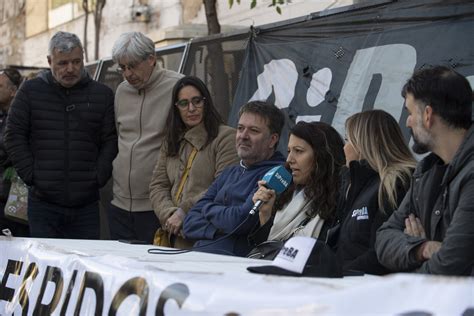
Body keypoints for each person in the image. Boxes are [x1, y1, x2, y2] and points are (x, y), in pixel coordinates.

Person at [4, 31, 117, 239]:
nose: (70, 69)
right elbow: (13, 135)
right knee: (47, 267)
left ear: (83, 59)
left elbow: (110, 140)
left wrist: (98, 176)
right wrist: (32, 175)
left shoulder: (102, 94)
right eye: (63, 63)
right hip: (43, 205)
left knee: (84, 266)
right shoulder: (30, 91)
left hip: (86, 205)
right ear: (49, 61)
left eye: (76, 62)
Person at [376, 66, 474, 275]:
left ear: (428, 115)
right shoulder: (425, 172)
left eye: (411, 113)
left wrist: (411, 266)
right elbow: (383, 238)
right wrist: (422, 248)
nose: (408, 122)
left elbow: (450, 264)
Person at [183, 101, 286, 256]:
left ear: (272, 140)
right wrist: (220, 229)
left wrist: (208, 209)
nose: (243, 136)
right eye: (240, 128)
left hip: (232, 268)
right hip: (197, 257)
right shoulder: (230, 172)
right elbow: (189, 224)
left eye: (253, 130)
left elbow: (239, 222)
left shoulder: (276, 175)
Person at [109, 32, 183, 244]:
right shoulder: (121, 91)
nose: (127, 73)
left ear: (151, 58)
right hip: (120, 204)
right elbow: (119, 136)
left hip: (158, 206)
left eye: (132, 65)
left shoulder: (178, 87)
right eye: (122, 68)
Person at [149, 76, 239, 248]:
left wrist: (184, 212)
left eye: (197, 101)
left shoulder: (225, 137)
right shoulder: (171, 140)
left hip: (204, 237)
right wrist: (170, 215)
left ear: (206, 102)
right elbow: (157, 185)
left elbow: (222, 187)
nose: (191, 109)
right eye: (183, 103)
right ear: (176, 108)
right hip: (171, 234)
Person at [337, 110, 416, 275]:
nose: (343, 148)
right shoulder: (358, 184)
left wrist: (337, 274)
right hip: (348, 284)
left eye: (347, 140)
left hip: (372, 289)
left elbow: (381, 252)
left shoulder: (396, 182)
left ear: (363, 144)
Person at [249, 121, 345, 248]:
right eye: (289, 151)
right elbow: (264, 248)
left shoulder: (340, 196)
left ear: (322, 156)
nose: (289, 159)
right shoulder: (285, 192)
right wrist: (265, 214)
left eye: (298, 151)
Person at [0, 68, 29, 236]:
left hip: (15, 198)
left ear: (12, 92)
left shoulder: (21, 117)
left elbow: (12, 149)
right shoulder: (3, 115)